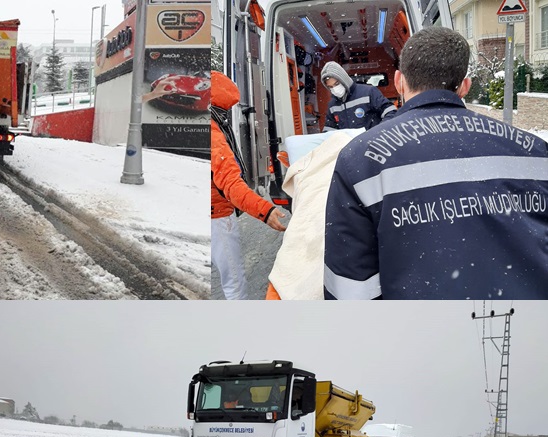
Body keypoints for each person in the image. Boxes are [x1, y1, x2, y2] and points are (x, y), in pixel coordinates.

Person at [324, 27, 548, 300]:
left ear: (398, 82)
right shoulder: (535, 151)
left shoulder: (358, 162)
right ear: (465, 86)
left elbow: (351, 290)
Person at [211, 70, 287, 300]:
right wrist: (265, 211)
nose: (226, 116)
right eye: (224, 109)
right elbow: (231, 185)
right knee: (234, 284)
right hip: (217, 217)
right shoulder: (213, 135)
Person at [321, 61, 397, 131]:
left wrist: (379, 132)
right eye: (331, 87)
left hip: (374, 143)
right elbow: (329, 130)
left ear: (343, 79)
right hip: (350, 145)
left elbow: (390, 112)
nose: (335, 88)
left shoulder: (368, 92)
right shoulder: (333, 105)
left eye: (337, 84)